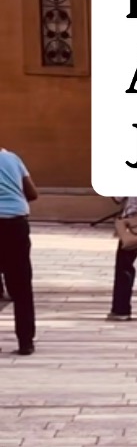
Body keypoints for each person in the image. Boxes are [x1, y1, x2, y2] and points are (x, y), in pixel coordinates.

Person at [0, 142, 38, 355]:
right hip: (16, 224)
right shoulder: (13, 159)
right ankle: (26, 341)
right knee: (22, 285)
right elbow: (32, 193)